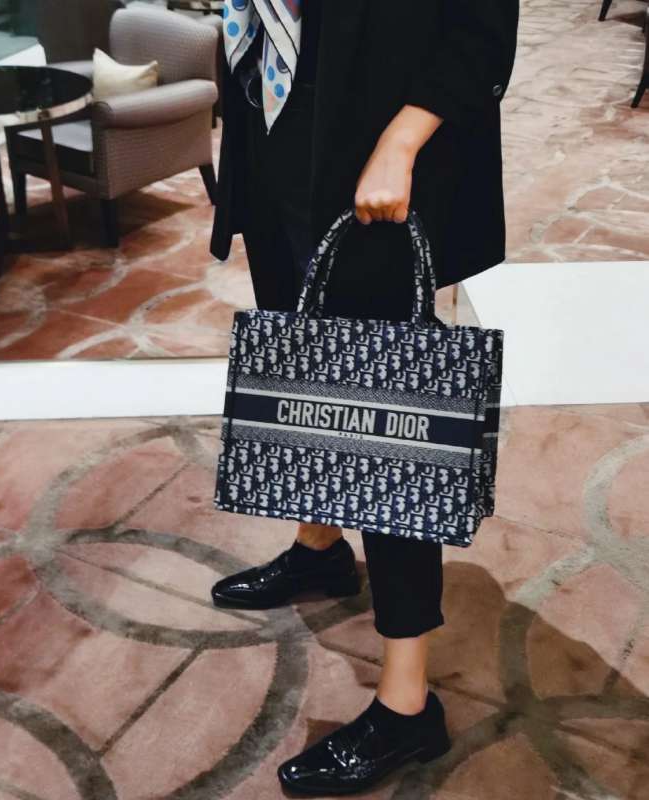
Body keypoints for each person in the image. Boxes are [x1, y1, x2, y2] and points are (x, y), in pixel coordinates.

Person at [210, 1, 519, 794]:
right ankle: (319, 546)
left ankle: (406, 700)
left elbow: (481, 24)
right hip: (273, 120)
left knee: (387, 413)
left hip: (376, 137)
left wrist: (403, 139)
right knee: (307, 369)